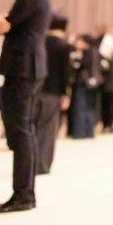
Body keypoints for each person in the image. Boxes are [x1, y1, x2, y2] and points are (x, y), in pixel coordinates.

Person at [0, 0, 51, 214]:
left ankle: (23, 195)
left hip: (23, 69)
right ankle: (24, 194)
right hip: (29, 68)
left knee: (21, 130)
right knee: (24, 129)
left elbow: (4, 26)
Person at [34, 12, 72, 174]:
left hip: (35, 89)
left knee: (32, 127)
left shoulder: (39, 41)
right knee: (48, 129)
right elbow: (65, 72)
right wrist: (66, 93)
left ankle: (29, 164)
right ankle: (42, 165)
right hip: (53, 92)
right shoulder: (64, 46)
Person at [68, 34, 99, 139]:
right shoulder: (95, 50)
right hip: (91, 83)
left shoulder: (87, 52)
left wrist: (76, 58)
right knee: (89, 107)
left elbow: (83, 64)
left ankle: (79, 132)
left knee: (80, 107)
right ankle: (88, 131)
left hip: (83, 83)